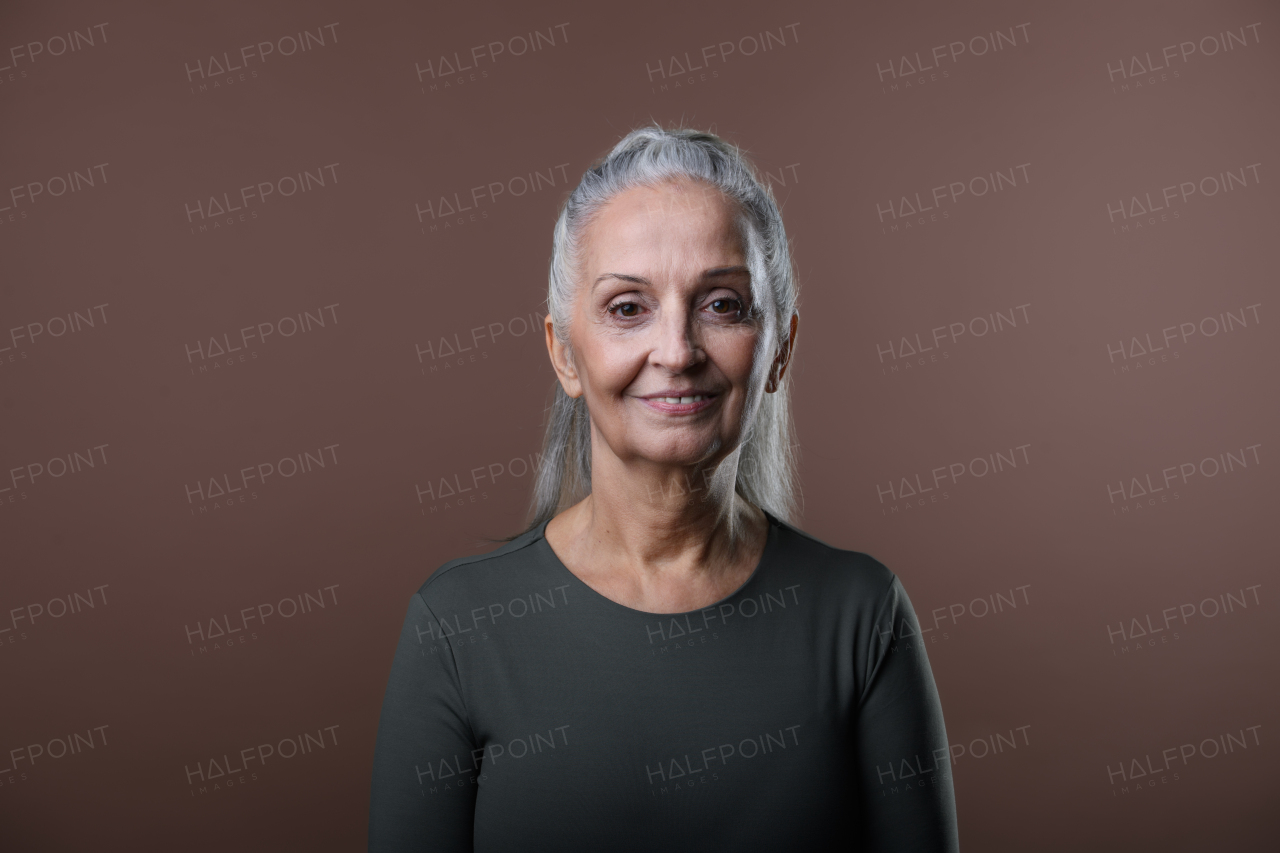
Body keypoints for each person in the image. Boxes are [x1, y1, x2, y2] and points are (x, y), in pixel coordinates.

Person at [369, 126, 959, 851]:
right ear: (564, 353)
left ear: (779, 350)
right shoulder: (456, 628)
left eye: (722, 305)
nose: (677, 351)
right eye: (627, 308)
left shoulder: (862, 617)